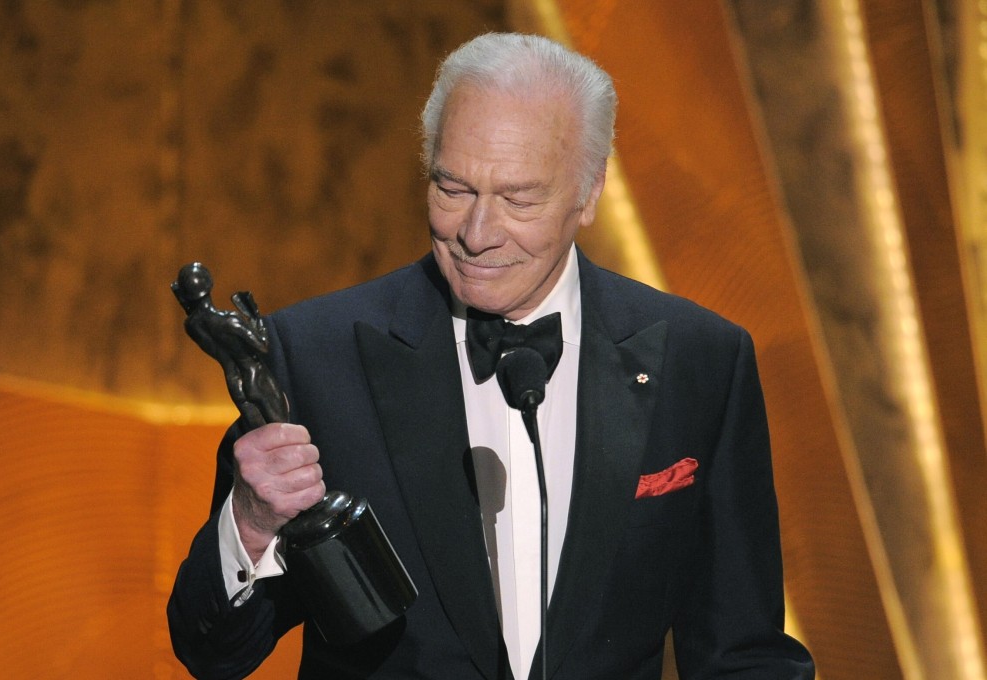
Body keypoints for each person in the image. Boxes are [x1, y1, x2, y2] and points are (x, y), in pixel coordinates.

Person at [168, 32, 815, 680]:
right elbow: (214, 652)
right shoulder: (314, 356)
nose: (477, 235)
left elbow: (743, 654)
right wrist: (249, 525)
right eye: (453, 190)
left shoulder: (700, 361)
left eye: (518, 199)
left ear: (589, 193)